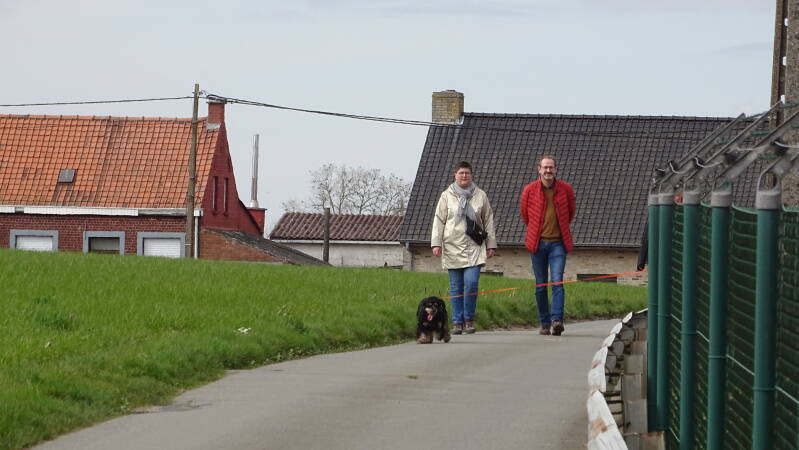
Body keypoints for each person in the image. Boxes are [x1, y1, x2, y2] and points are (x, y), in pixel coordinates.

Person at [431, 161, 497, 335]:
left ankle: (469, 318)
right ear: (455, 175)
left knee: (472, 283)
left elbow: (488, 219)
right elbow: (439, 219)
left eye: (467, 173)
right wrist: (436, 243)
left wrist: (491, 244)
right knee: (456, 286)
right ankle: (457, 321)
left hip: (474, 246)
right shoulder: (446, 196)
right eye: (461, 173)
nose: (464, 176)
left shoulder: (480, 195)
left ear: (472, 175)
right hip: (452, 245)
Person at [519, 155, 576, 336]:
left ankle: (557, 320)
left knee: (557, 281)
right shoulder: (529, 190)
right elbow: (525, 215)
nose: (548, 171)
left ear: (555, 169)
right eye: (545, 167)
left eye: (551, 167)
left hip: (558, 243)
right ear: (539, 169)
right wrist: (537, 230)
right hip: (538, 244)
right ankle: (544, 323)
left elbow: (570, 213)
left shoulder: (566, 189)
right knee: (541, 285)